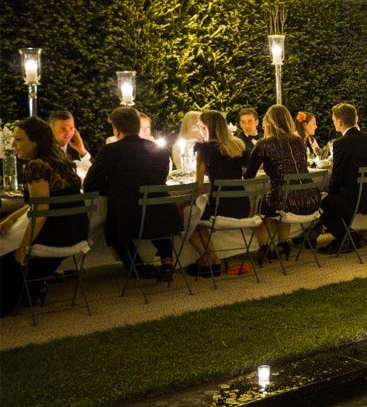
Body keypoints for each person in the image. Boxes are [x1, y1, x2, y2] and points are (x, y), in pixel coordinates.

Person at [1, 117, 89, 317]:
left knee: (4, 245)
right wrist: (12, 218)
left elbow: (40, 211)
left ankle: (18, 293)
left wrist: (22, 250)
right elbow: (44, 202)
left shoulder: (36, 166)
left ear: (36, 141)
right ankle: (31, 289)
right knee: (9, 233)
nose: (13, 145)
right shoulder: (61, 161)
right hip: (76, 231)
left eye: (19, 140)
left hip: (54, 235)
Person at [84, 107, 181, 282]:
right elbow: (160, 178)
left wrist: (113, 187)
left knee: (114, 227)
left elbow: (90, 184)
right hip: (164, 214)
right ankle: (167, 261)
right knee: (154, 212)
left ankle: (136, 266)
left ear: (116, 129)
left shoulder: (109, 151)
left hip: (128, 216)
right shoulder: (160, 150)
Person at [244, 104, 319, 259]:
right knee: (282, 197)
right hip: (311, 200)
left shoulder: (264, 144)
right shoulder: (299, 141)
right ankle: (282, 243)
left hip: (287, 202)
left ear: (269, 123)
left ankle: (264, 248)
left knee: (261, 206)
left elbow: (249, 175)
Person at [319, 104, 367, 253]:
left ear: (340, 122)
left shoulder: (341, 143)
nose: (334, 123)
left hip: (355, 199)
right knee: (339, 196)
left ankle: (348, 238)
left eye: (334, 120)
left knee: (321, 203)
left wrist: (331, 192)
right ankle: (350, 238)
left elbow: (337, 175)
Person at [189, 110, 248, 275]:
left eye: (201, 127)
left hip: (221, 208)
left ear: (207, 128)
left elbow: (198, 186)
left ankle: (212, 259)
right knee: (196, 215)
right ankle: (209, 260)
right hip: (243, 205)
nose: (200, 131)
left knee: (188, 217)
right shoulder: (238, 145)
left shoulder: (205, 150)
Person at [48, 110, 92, 177]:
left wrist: (82, 151)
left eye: (71, 128)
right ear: (51, 129)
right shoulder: (45, 147)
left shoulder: (79, 145)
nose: (68, 133)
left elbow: (95, 171)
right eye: (63, 129)